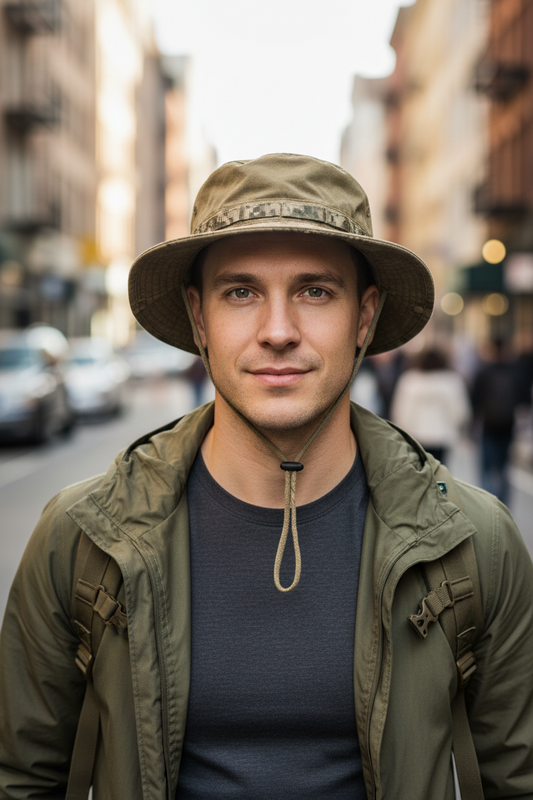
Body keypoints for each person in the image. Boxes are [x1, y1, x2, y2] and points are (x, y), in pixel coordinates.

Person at [1, 153, 532, 800]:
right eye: (240, 292)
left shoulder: (472, 545)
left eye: (314, 291)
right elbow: (21, 781)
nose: (277, 331)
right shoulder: (81, 540)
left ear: (363, 317)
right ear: (199, 318)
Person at [391, 346, 471, 465]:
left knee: (420, 473)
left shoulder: (410, 381)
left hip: (416, 435)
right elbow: (459, 411)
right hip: (443, 436)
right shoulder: (451, 381)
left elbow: (401, 411)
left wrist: (403, 430)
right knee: (441, 473)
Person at [472, 338, 521, 504]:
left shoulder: (483, 371)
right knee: (504, 467)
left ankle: (488, 504)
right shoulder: (514, 372)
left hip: (488, 425)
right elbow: (522, 400)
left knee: (487, 468)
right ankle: (504, 504)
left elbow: (475, 400)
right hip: (508, 425)